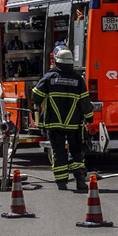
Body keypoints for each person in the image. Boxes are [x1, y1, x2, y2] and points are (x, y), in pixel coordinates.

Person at [32, 48, 93, 191]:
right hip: (74, 124)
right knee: (76, 150)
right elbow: (85, 103)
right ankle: (80, 179)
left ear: (56, 62)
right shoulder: (78, 80)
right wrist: (89, 117)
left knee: (58, 151)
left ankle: (61, 182)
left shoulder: (48, 78)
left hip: (54, 123)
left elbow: (36, 97)